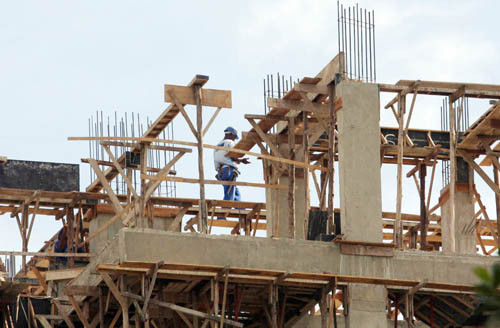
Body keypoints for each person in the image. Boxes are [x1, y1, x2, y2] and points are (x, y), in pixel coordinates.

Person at [214, 127, 250, 205]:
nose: (234, 139)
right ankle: (222, 215)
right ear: (231, 134)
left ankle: (241, 210)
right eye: (234, 137)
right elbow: (232, 156)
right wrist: (241, 160)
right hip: (228, 170)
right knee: (229, 192)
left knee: (235, 192)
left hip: (220, 173)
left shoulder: (218, 145)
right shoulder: (230, 142)